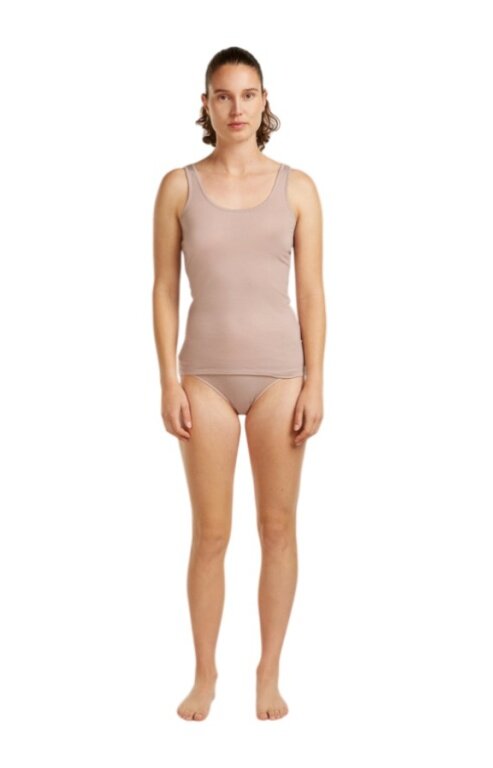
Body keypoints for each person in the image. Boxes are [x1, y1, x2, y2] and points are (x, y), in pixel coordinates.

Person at [152, 46, 326, 721]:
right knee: (212, 534)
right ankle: (204, 675)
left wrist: (315, 381)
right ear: (205, 103)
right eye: (223, 96)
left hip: (281, 375)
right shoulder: (178, 186)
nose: (236, 108)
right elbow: (165, 289)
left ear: (264, 101)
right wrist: (168, 381)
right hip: (205, 378)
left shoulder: (298, 187)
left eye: (247, 95)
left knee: (277, 528)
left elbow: (311, 293)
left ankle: (269, 673)